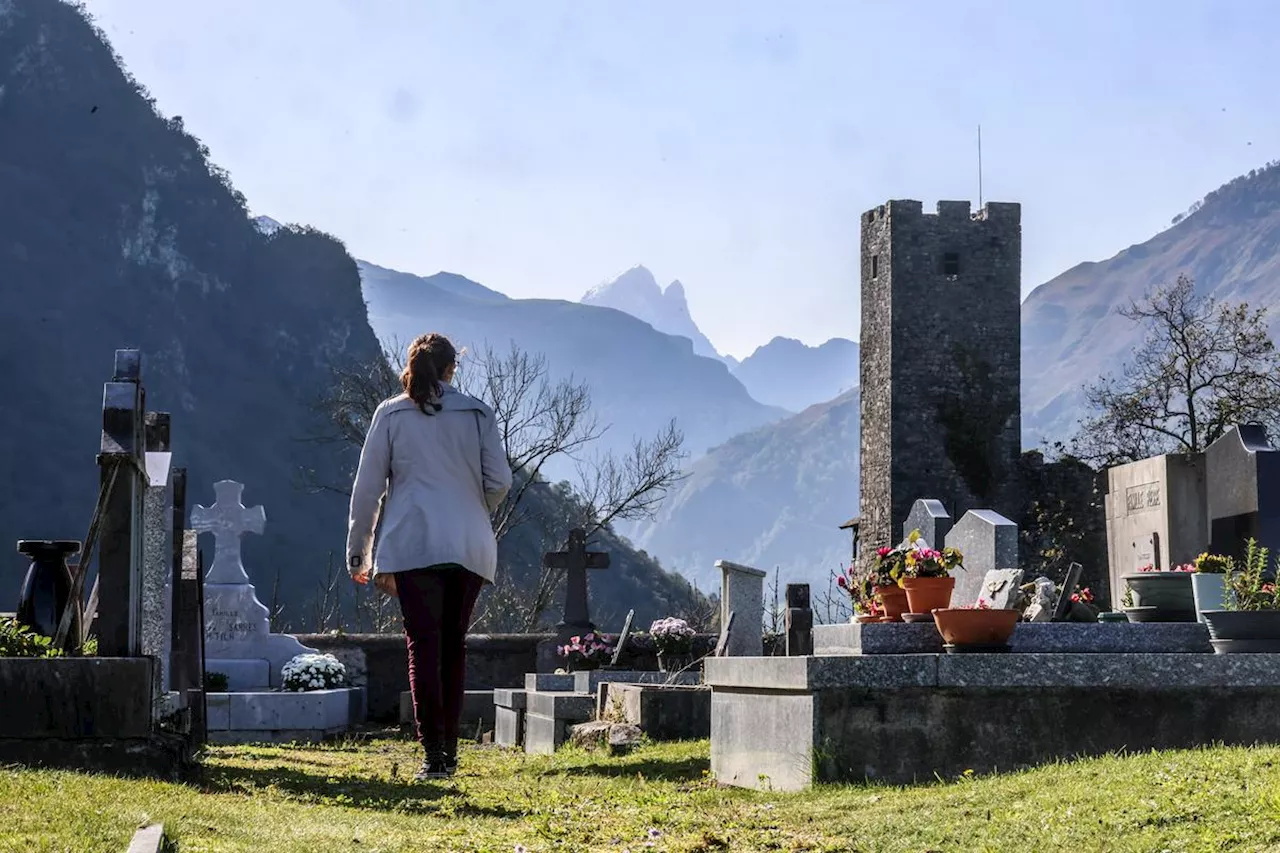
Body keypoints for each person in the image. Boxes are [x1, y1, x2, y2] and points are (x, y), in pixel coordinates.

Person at [346, 333, 512, 781]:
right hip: (467, 545)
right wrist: (472, 508)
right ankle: (452, 753)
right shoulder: (477, 413)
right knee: (453, 647)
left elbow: (368, 489)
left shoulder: (391, 414)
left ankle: (433, 756)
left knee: (423, 646)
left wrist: (359, 552)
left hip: (412, 543)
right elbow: (499, 481)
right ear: (451, 369)